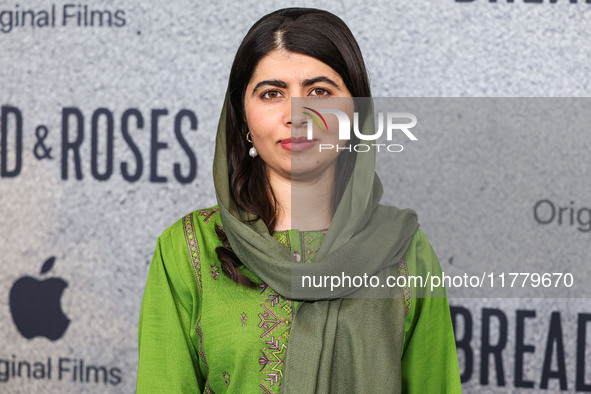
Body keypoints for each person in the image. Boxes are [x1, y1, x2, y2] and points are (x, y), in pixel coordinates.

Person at [137, 7, 462, 394]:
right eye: (272, 93)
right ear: (243, 118)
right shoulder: (189, 249)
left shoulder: (405, 251)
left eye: (320, 92)